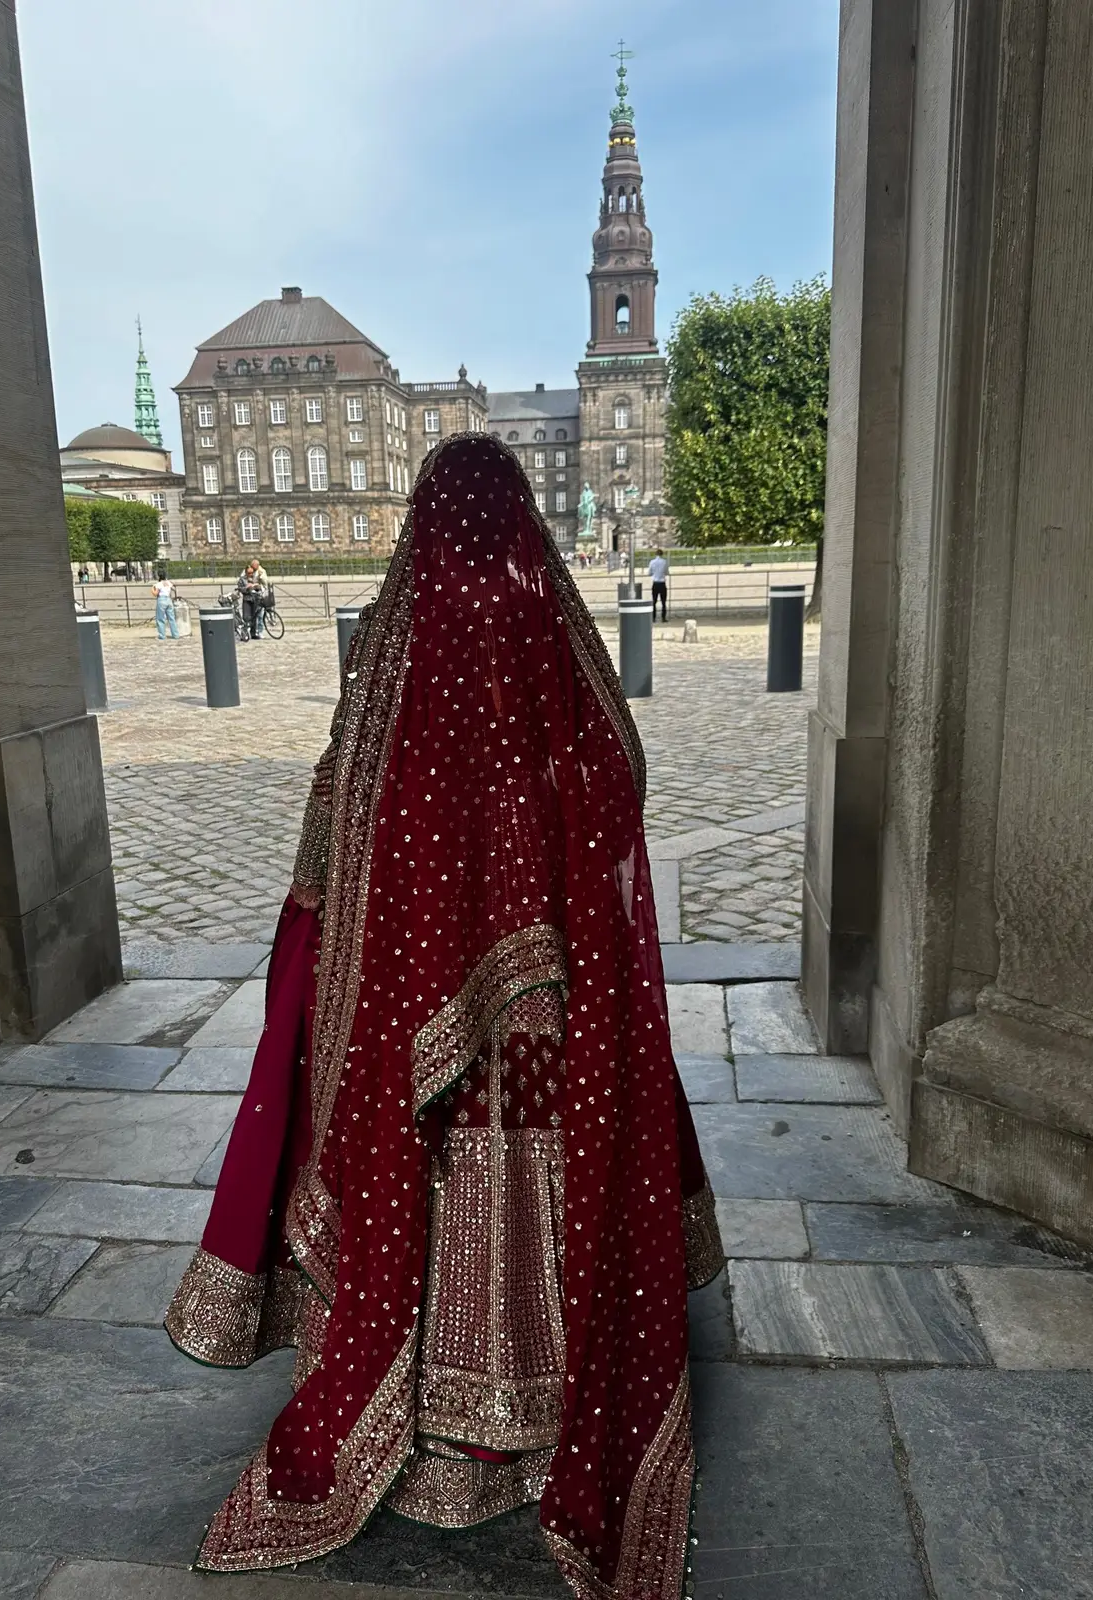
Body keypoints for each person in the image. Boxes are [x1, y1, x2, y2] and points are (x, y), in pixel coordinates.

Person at [165, 434, 723, 1596]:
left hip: (409, 1012)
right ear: (521, 519)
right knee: (527, 1163)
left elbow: (339, 829)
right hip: (550, 1013)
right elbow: (616, 777)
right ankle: (534, 1398)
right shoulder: (550, 640)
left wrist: (359, 978)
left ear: (423, 519)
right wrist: (543, 924)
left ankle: (431, 1421)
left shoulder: (394, 651)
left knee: (429, 1169)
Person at [238, 558, 269, 639]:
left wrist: (256, 586)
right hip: (247, 599)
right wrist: (247, 588)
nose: (251, 574)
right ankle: (244, 633)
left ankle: (254, 633)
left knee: (255, 616)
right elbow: (240, 588)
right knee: (246, 617)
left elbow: (262, 585)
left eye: (252, 572)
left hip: (256, 598)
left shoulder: (259, 573)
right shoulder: (242, 579)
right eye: (249, 573)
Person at [152, 571, 178, 640]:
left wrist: (152, 589)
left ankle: (162, 636)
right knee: (171, 618)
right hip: (168, 600)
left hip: (161, 600)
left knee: (160, 619)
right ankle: (175, 635)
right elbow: (174, 589)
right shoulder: (168, 582)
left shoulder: (158, 584)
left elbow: (155, 593)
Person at [648, 547, 670, 622]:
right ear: (662, 554)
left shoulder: (652, 562)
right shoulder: (664, 562)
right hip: (662, 583)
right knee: (663, 601)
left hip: (655, 583)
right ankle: (663, 617)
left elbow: (649, 573)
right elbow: (667, 572)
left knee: (654, 601)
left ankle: (653, 618)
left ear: (655, 554)